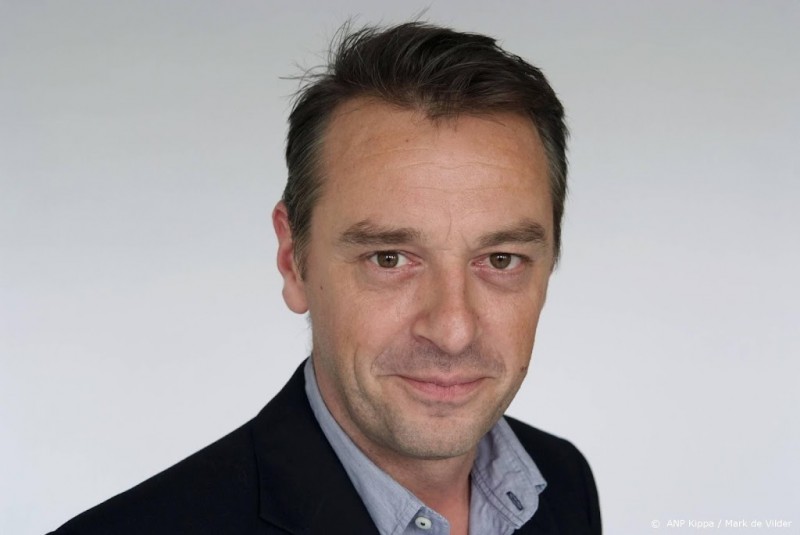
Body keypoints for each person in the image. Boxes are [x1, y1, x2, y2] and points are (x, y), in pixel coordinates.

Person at [49, 21, 601, 535]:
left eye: (501, 259)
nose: (453, 330)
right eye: (389, 258)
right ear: (294, 259)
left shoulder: (563, 482)